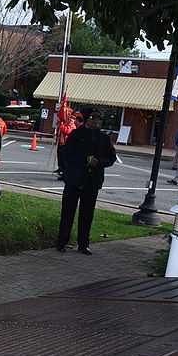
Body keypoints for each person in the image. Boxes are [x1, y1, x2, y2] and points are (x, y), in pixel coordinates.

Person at [55, 108, 117, 255]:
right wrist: (84, 160)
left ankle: (84, 244)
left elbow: (111, 157)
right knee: (68, 212)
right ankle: (62, 242)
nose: (95, 120)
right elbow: (67, 156)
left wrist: (99, 162)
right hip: (74, 179)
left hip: (92, 181)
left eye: (98, 117)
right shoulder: (76, 134)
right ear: (86, 118)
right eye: (92, 117)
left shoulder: (103, 137)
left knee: (87, 214)